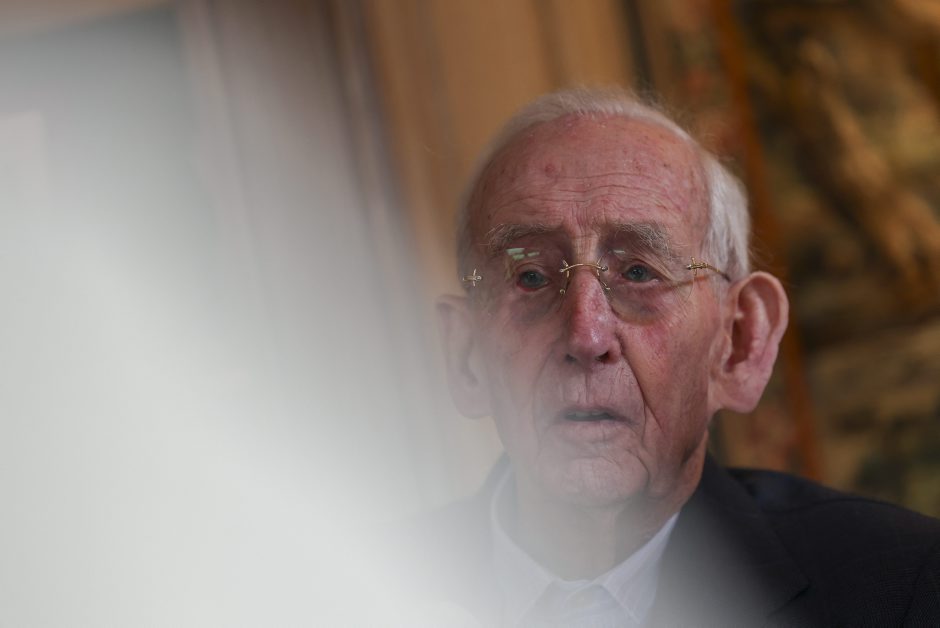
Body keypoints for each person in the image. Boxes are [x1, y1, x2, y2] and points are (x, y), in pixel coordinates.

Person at [406, 88, 940, 627]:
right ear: (467, 354)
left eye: (639, 273)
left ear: (739, 342)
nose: (586, 335)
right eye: (531, 277)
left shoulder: (905, 590)